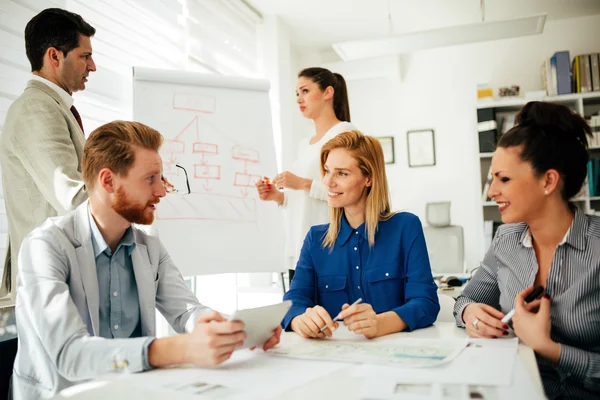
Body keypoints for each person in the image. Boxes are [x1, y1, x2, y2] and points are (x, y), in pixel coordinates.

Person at [12, 121, 281, 400]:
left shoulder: (148, 244)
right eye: (150, 179)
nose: (162, 191)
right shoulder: (44, 246)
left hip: (133, 392)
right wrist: (180, 348)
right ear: (108, 181)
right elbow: (70, 353)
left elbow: (186, 312)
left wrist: (236, 331)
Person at [453, 102, 600, 399]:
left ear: (548, 181)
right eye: (492, 178)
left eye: (503, 179)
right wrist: (470, 314)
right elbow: (465, 299)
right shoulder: (506, 239)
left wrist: (547, 347)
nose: (492, 191)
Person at [281, 130, 439, 339]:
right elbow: (293, 302)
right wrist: (299, 319)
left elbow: (426, 303)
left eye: (342, 173)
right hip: (335, 360)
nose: (328, 182)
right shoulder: (315, 239)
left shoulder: (405, 227)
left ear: (369, 178)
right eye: (327, 171)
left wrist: (380, 323)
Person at [0, 8, 96, 301]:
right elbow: (73, 197)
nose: (93, 66)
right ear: (54, 56)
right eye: (84, 56)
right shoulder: (37, 109)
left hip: (57, 281)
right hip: (48, 286)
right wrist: (133, 192)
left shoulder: (53, 107)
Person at [255, 67, 357, 281]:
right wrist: (279, 196)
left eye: (305, 91)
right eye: (297, 93)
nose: (299, 99)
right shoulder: (305, 144)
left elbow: (349, 191)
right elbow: (304, 200)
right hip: (299, 249)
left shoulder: (345, 134)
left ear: (327, 92)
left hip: (328, 249)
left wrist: (301, 182)